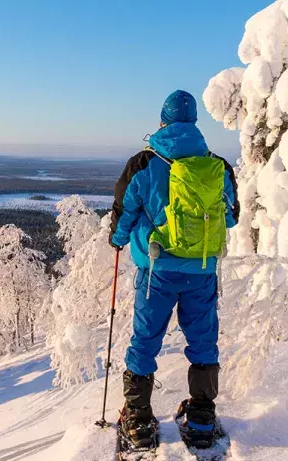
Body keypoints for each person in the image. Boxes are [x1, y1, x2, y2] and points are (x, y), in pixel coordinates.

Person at [109, 90, 238, 450]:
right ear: (195, 121)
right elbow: (231, 217)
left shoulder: (144, 163)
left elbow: (124, 211)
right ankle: (201, 417)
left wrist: (117, 240)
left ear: (162, 121)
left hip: (156, 272)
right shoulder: (217, 166)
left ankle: (137, 419)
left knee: (145, 340)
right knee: (203, 340)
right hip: (201, 270)